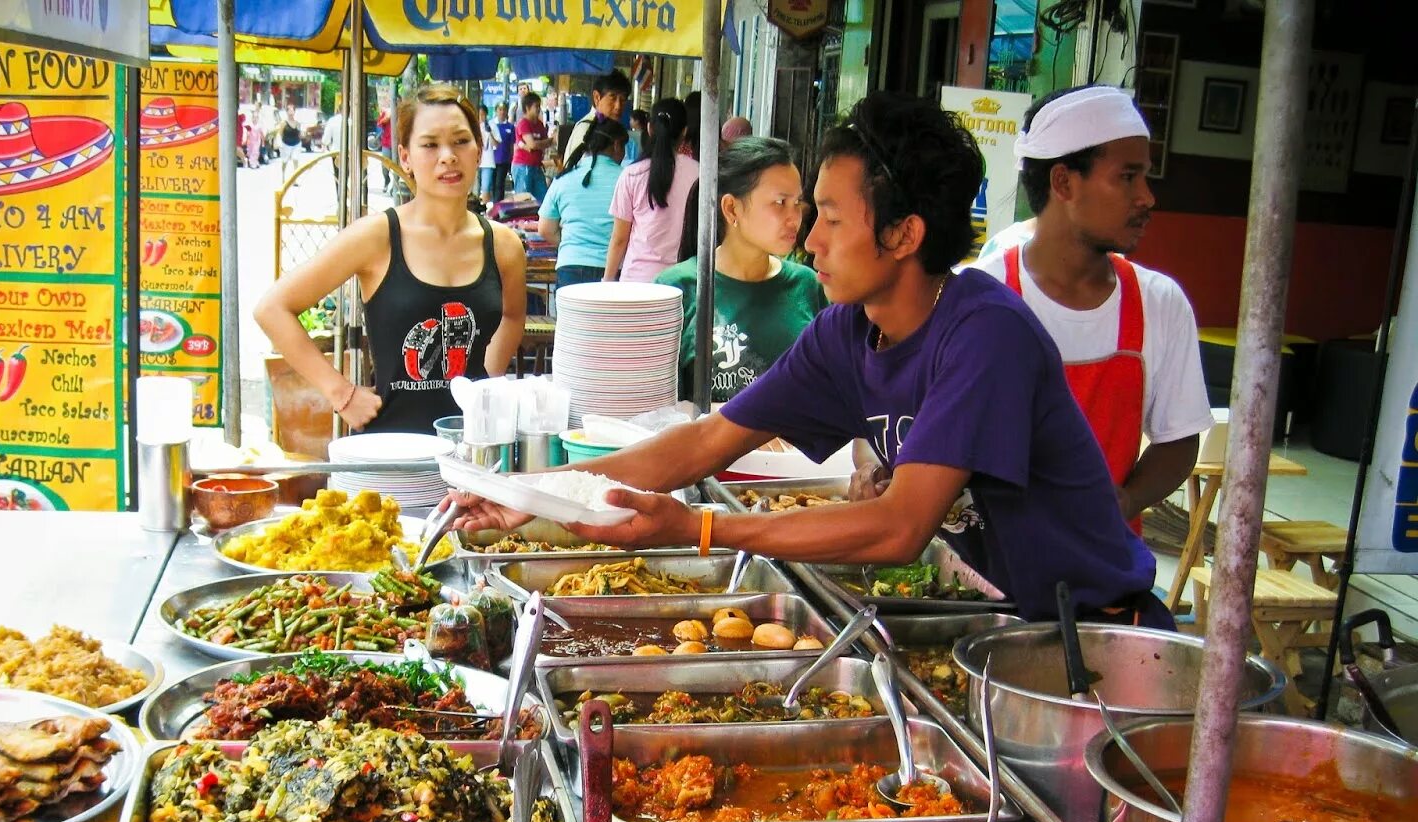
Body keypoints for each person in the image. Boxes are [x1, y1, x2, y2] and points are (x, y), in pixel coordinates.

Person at [450, 92, 1163, 627]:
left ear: (905, 233)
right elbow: (705, 441)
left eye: (830, 216)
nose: (808, 239)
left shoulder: (984, 334)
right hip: (1002, 625)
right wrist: (531, 495)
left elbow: (898, 526)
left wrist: (699, 528)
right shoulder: (846, 332)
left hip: (1092, 636)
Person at [969, 86, 1211, 535]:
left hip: (1103, 571)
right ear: (1063, 183)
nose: (1146, 197)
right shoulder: (980, 295)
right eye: (1127, 177)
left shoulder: (1159, 303)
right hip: (980, 570)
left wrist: (1126, 500)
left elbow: (1178, 440)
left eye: (1145, 178)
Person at [254, 84, 527, 437]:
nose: (447, 156)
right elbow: (272, 308)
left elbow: (514, 314)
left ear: (478, 150)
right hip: (390, 455)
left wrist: (486, 382)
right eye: (430, 144)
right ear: (405, 157)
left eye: (461, 141)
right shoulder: (377, 237)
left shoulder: (503, 245)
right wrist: (341, 393)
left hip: (473, 451)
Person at [657, 136, 825, 407]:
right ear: (731, 208)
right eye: (780, 203)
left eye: (797, 203)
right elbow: (658, 408)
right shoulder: (678, 288)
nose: (794, 218)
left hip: (792, 449)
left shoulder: (807, 285)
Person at [603, 98, 698, 283]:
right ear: (684, 132)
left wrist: (607, 280)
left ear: (649, 128)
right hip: (681, 283)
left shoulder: (631, 174)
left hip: (636, 283)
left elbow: (619, 239)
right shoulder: (699, 174)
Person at [538, 115, 628, 287]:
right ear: (617, 145)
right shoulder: (626, 179)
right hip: (614, 269)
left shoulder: (563, 178)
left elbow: (545, 229)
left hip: (570, 266)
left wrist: (573, 243)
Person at [564, 69, 630, 166]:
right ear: (597, 97)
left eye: (623, 99)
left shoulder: (612, 129)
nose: (618, 106)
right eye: (613, 97)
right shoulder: (586, 129)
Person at [512, 91, 554, 202]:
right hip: (523, 166)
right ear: (527, 107)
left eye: (539, 106)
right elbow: (532, 144)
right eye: (536, 106)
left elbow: (546, 142)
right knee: (523, 199)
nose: (539, 109)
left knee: (544, 199)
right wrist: (539, 144)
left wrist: (538, 144)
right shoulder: (523, 124)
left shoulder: (540, 125)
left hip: (537, 166)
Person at [489, 102, 514, 204]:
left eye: (504, 109)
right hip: (491, 159)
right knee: (492, 184)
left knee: (500, 184)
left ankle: (498, 205)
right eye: (500, 109)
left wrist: (511, 159)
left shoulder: (510, 127)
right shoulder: (491, 125)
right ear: (496, 111)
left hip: (503, 159)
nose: (502, 112)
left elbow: (512, 145)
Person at [478, 110, 501, 202]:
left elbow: (496, 144)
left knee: (485, 187)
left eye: (482, 114)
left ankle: (484, 207)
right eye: (479, 115)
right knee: (475, 189)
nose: (480, 117)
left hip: (487, 161)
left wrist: (489, 133)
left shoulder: (491, 125)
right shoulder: (473, 126)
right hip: (475, 161)